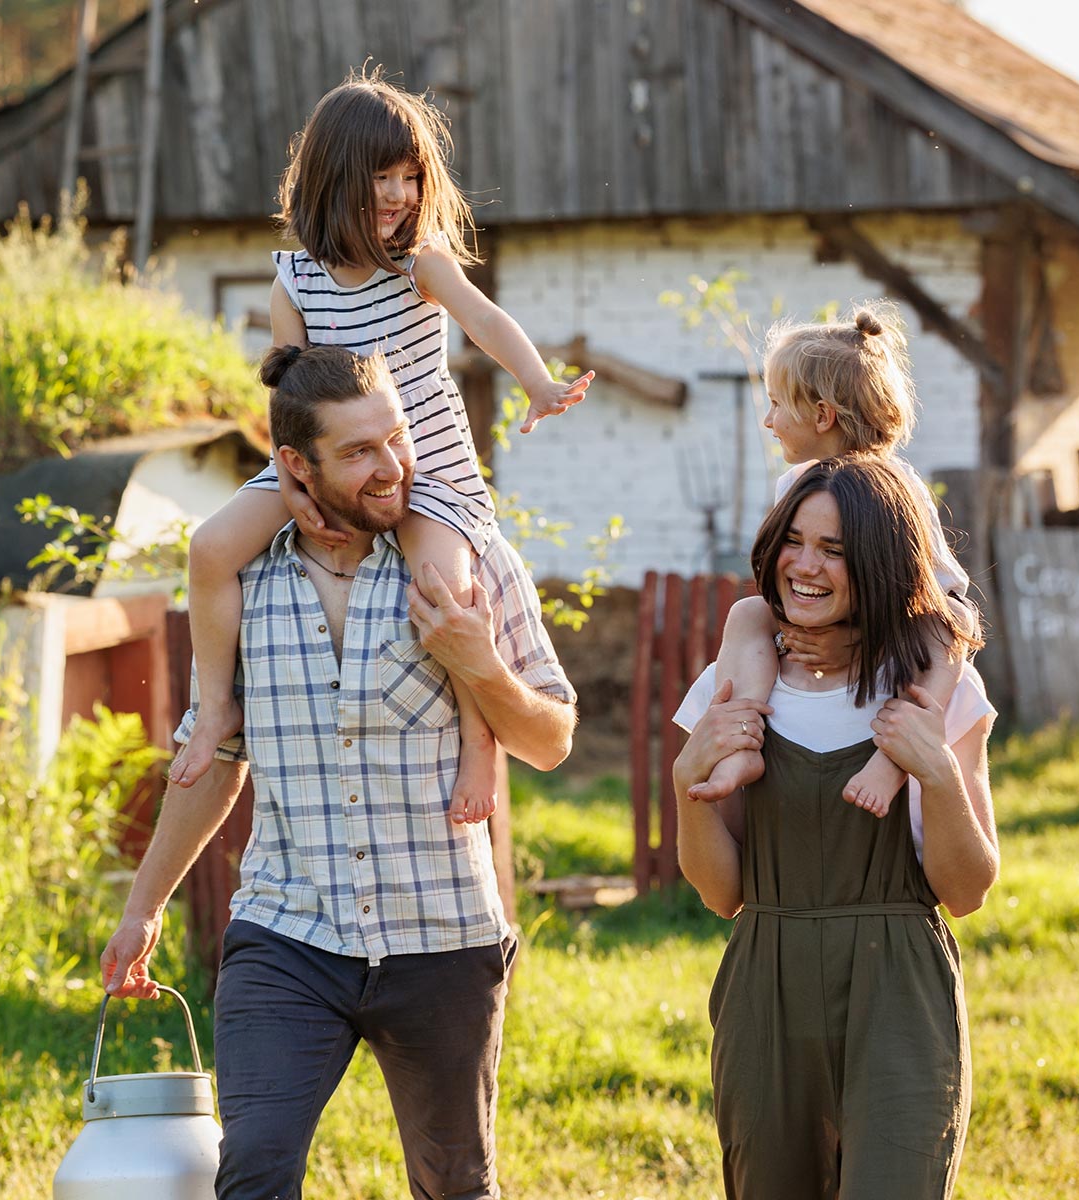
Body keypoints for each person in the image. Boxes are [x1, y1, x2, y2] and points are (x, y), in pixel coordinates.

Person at [101, 344, 577, 1200]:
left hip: (442, 935)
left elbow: (551, 739)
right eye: (359, 453)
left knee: (455, 1185)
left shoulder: (468, 557)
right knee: (253, 1172)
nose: (393, 466)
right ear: (295, 465)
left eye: (395, 439)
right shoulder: (244, 577)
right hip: (288, 932)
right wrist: (143, 910)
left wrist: (481, 666)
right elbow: (213, 758)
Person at [171, 66, 593, 822]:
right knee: (209, 549)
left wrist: (535, 382)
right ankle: (213, 710)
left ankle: (478, 742)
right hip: (324, 465)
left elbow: (486, 321)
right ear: (334, 180)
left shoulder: (419, 263)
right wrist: (294, 487)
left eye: (410, 176)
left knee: (444, 587)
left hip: (427, 472)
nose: (399, 195)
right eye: (380, 177)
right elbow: (288, 399)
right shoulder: (293, 284)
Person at [674, 455, 998, 1200]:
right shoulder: (733, 680)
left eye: (835, 550)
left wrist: (937, 773)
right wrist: (684, 786)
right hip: (767, 987)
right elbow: (723, 895)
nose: (804, 566)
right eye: (795, 540)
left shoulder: (939, 690)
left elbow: (970, 890)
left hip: (900, 993)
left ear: (882, 565)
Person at [690, 304, 974, 818]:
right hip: (833, 624)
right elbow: (789, 586)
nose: (768, 419)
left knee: (949, 632)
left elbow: (944, 597)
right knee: (747, 613)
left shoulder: (897, 489)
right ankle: (743, 743)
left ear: (822, 416)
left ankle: (892, 759)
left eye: (777, 404)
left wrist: (861, 635)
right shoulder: (795, 484)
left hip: (909, 627)